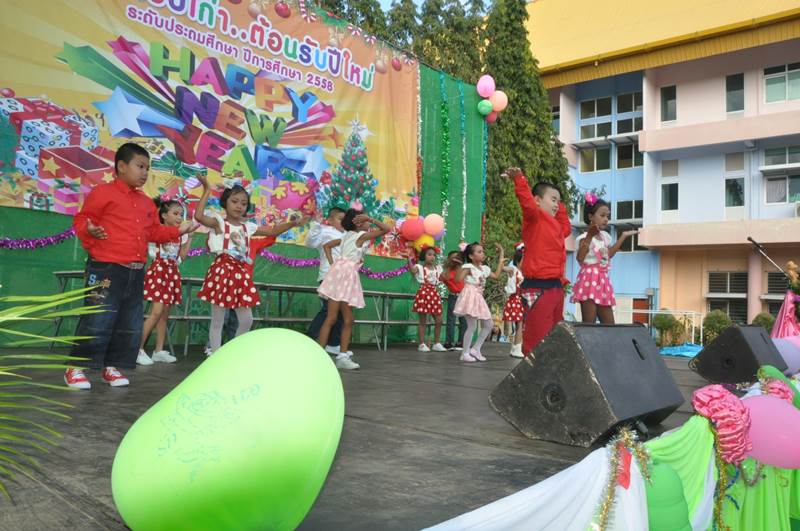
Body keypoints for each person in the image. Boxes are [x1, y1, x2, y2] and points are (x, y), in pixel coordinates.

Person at [65, 142, 195, 389]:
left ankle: (111, 366)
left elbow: (154, 232)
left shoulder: (146, 203)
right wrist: (89, 229)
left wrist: (179, 230)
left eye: (147, 168)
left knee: (127, 321)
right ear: (122, 166)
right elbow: (82, 219)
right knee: (98, 318)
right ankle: (75, 367)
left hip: (135, 271)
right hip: (106, 268)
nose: (145, 172)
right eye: (140, 166)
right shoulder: (103, 192)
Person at [193, 175, 307, 355]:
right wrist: (207, 190)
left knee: (247, 319)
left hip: (240, 273)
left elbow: (272, 231)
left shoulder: (248, 227)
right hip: (222, 270)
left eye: (244, 203)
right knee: (218, 320)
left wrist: (292, 223)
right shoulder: (219, 223)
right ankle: (216, 354)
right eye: (234, 201)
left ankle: (234, 352)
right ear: (225, 202)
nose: (239, 206)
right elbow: (199, 216)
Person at [505, 167, 571, 356]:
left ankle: (550, 368)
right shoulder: (534, 218)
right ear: (537, 200)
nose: (556, 205)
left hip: (555, 287)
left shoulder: (556, 225)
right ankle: (533, 369)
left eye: (558, 201)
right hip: (538, 288)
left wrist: (560, 205)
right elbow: (526, 203)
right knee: (537, 336)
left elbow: (566, 228)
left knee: (554, 333)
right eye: (553, 199)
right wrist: (519, 180)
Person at [317, 208, 392, 369]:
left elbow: (327, 246)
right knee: (346, 319)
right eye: (364, 220)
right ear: (358, 223)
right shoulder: (360, 236)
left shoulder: (346, 236)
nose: (368, 224)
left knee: (334, 318)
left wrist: (333, 264)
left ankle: (321, 355)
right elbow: (387, 229)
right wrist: (371, 219)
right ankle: (341, 357)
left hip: (339, 274)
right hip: (346, 276)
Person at [136, 197, 192, 365]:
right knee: (156, 312)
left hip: (172, 273)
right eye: (175, 213)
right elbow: (152, 253)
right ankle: (137, 349)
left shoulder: (180, 236)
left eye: (181, 214)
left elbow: (181, 258)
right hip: (159, 272)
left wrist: (189, 238)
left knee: (164, 315)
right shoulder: (157, 232)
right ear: (164, 215)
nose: (179, 217)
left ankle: (158, 351)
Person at [571, 194, 638, 324]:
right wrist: (589, 236)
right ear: (590, 217)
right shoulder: (583, 238)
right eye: (602, 215)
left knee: (609, 324)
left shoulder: (605, 236)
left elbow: (609, 254)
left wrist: (623, 236)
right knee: (589, 323)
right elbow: (580, 258)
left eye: (607, 216)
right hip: (589, 279)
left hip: (602, 280)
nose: (606, 219)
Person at [454, 242, 505, 362]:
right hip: (470, 295)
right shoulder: (469, 267)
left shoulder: (484, 269)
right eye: (479, 252)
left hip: (478, 297)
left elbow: (496, 275)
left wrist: (501, 256)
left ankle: (476, 349)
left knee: (489, 324)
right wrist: (460, 266)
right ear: (471, 256)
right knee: (472, 326)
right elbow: (458, 279)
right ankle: (465, 353)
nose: (482, 254)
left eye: (482, 251)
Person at [306, 207, 346, 356]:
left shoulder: (348, 235)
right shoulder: (325, 231)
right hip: (328, 276)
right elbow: (310, 243)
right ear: (330, 220)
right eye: (340, 219)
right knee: (328, 310)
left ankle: (333, 344)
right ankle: (310, 339)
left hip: (344, 278)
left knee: (341, 312)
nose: (343, 222)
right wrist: (316, 224)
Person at [410, 245, 446, 352]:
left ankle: (437, 343)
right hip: (424, 293)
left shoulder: (438, 268)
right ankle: (421, 344)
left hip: (434, 294)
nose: (432, 257)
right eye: (429, 254)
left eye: (434, 255)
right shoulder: (420, 267)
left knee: (439, 320)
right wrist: (409, 259)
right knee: (423, 321)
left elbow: (443, 277)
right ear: (424, 256)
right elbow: (413, 271)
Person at [440, 250, 466, 350]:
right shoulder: (448, 271)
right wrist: (448, 266)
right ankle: (449, 342)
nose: (455, 260)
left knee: (463, 320)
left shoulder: (463, 269)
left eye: (457, 258)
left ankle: (461, 342)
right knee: (451, 319)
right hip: (453, 296)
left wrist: (460, 265)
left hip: (463, 296)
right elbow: (443, 278)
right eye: (453, 258)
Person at [503, 243, 525, 358]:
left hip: (520, 299)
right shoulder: (514, 270)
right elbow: (504, 268)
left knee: (520, 324)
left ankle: (516, 347)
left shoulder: (522, 273)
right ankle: (517, 348)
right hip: (515, 298)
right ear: (517, 261)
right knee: (519, 323)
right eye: (524, 260)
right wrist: (502, 262)